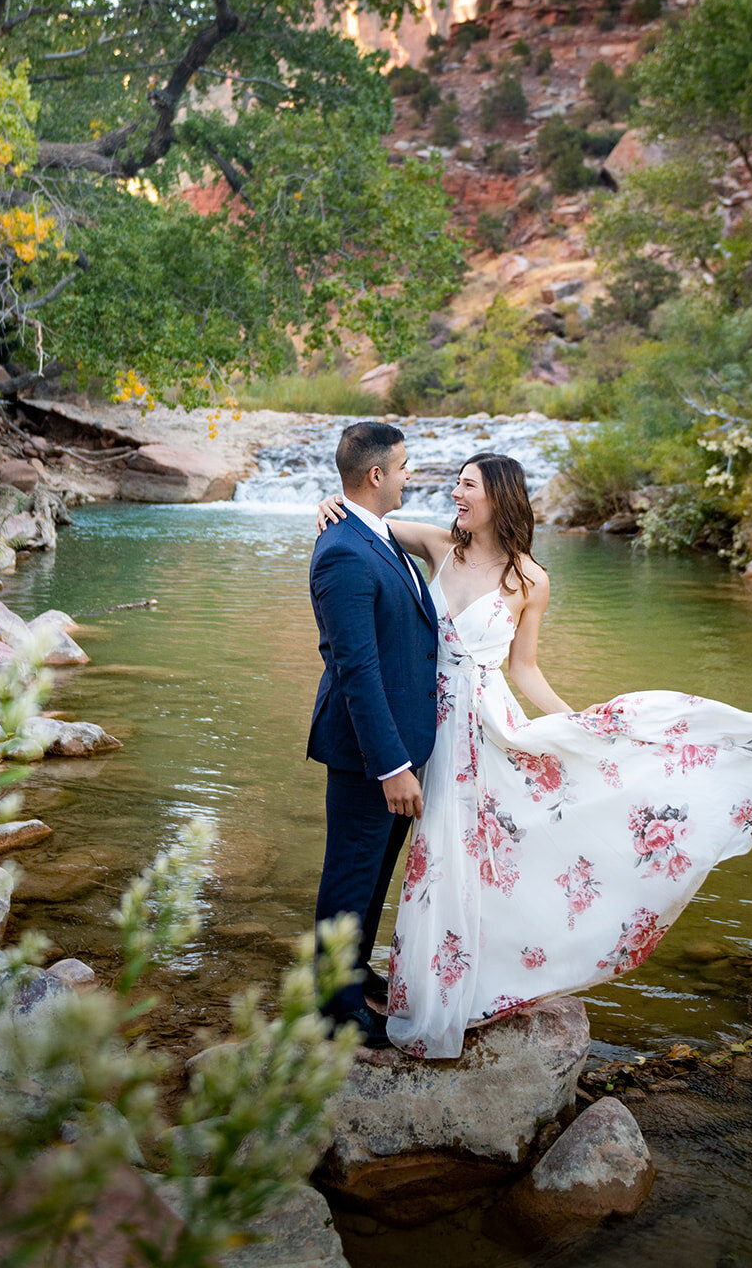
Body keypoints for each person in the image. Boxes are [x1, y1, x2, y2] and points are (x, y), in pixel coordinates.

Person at [317, 452, 752, 1059]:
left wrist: (577, 726)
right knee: (392, 856)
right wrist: (326, 503)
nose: (454, 493)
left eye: (467, 486)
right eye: (455, 483)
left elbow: (525, 669)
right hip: (417, 723)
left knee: (457, 852)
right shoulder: (437, 545)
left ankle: (445, 983)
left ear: (500, 499)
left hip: (480, 727)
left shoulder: (529, 579)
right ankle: (363, 981)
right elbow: (366, 525)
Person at [308, 421, 440, 1048]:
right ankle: (334, 1011)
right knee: (350, 877)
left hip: (397, 747)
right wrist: (391, 764)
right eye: (405, 465)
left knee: (375, 875)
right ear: (376, 475)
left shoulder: (381, 538)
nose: (411, 474)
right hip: (367, 753)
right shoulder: (341, 551)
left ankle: (354, 976)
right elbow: (356, 669)